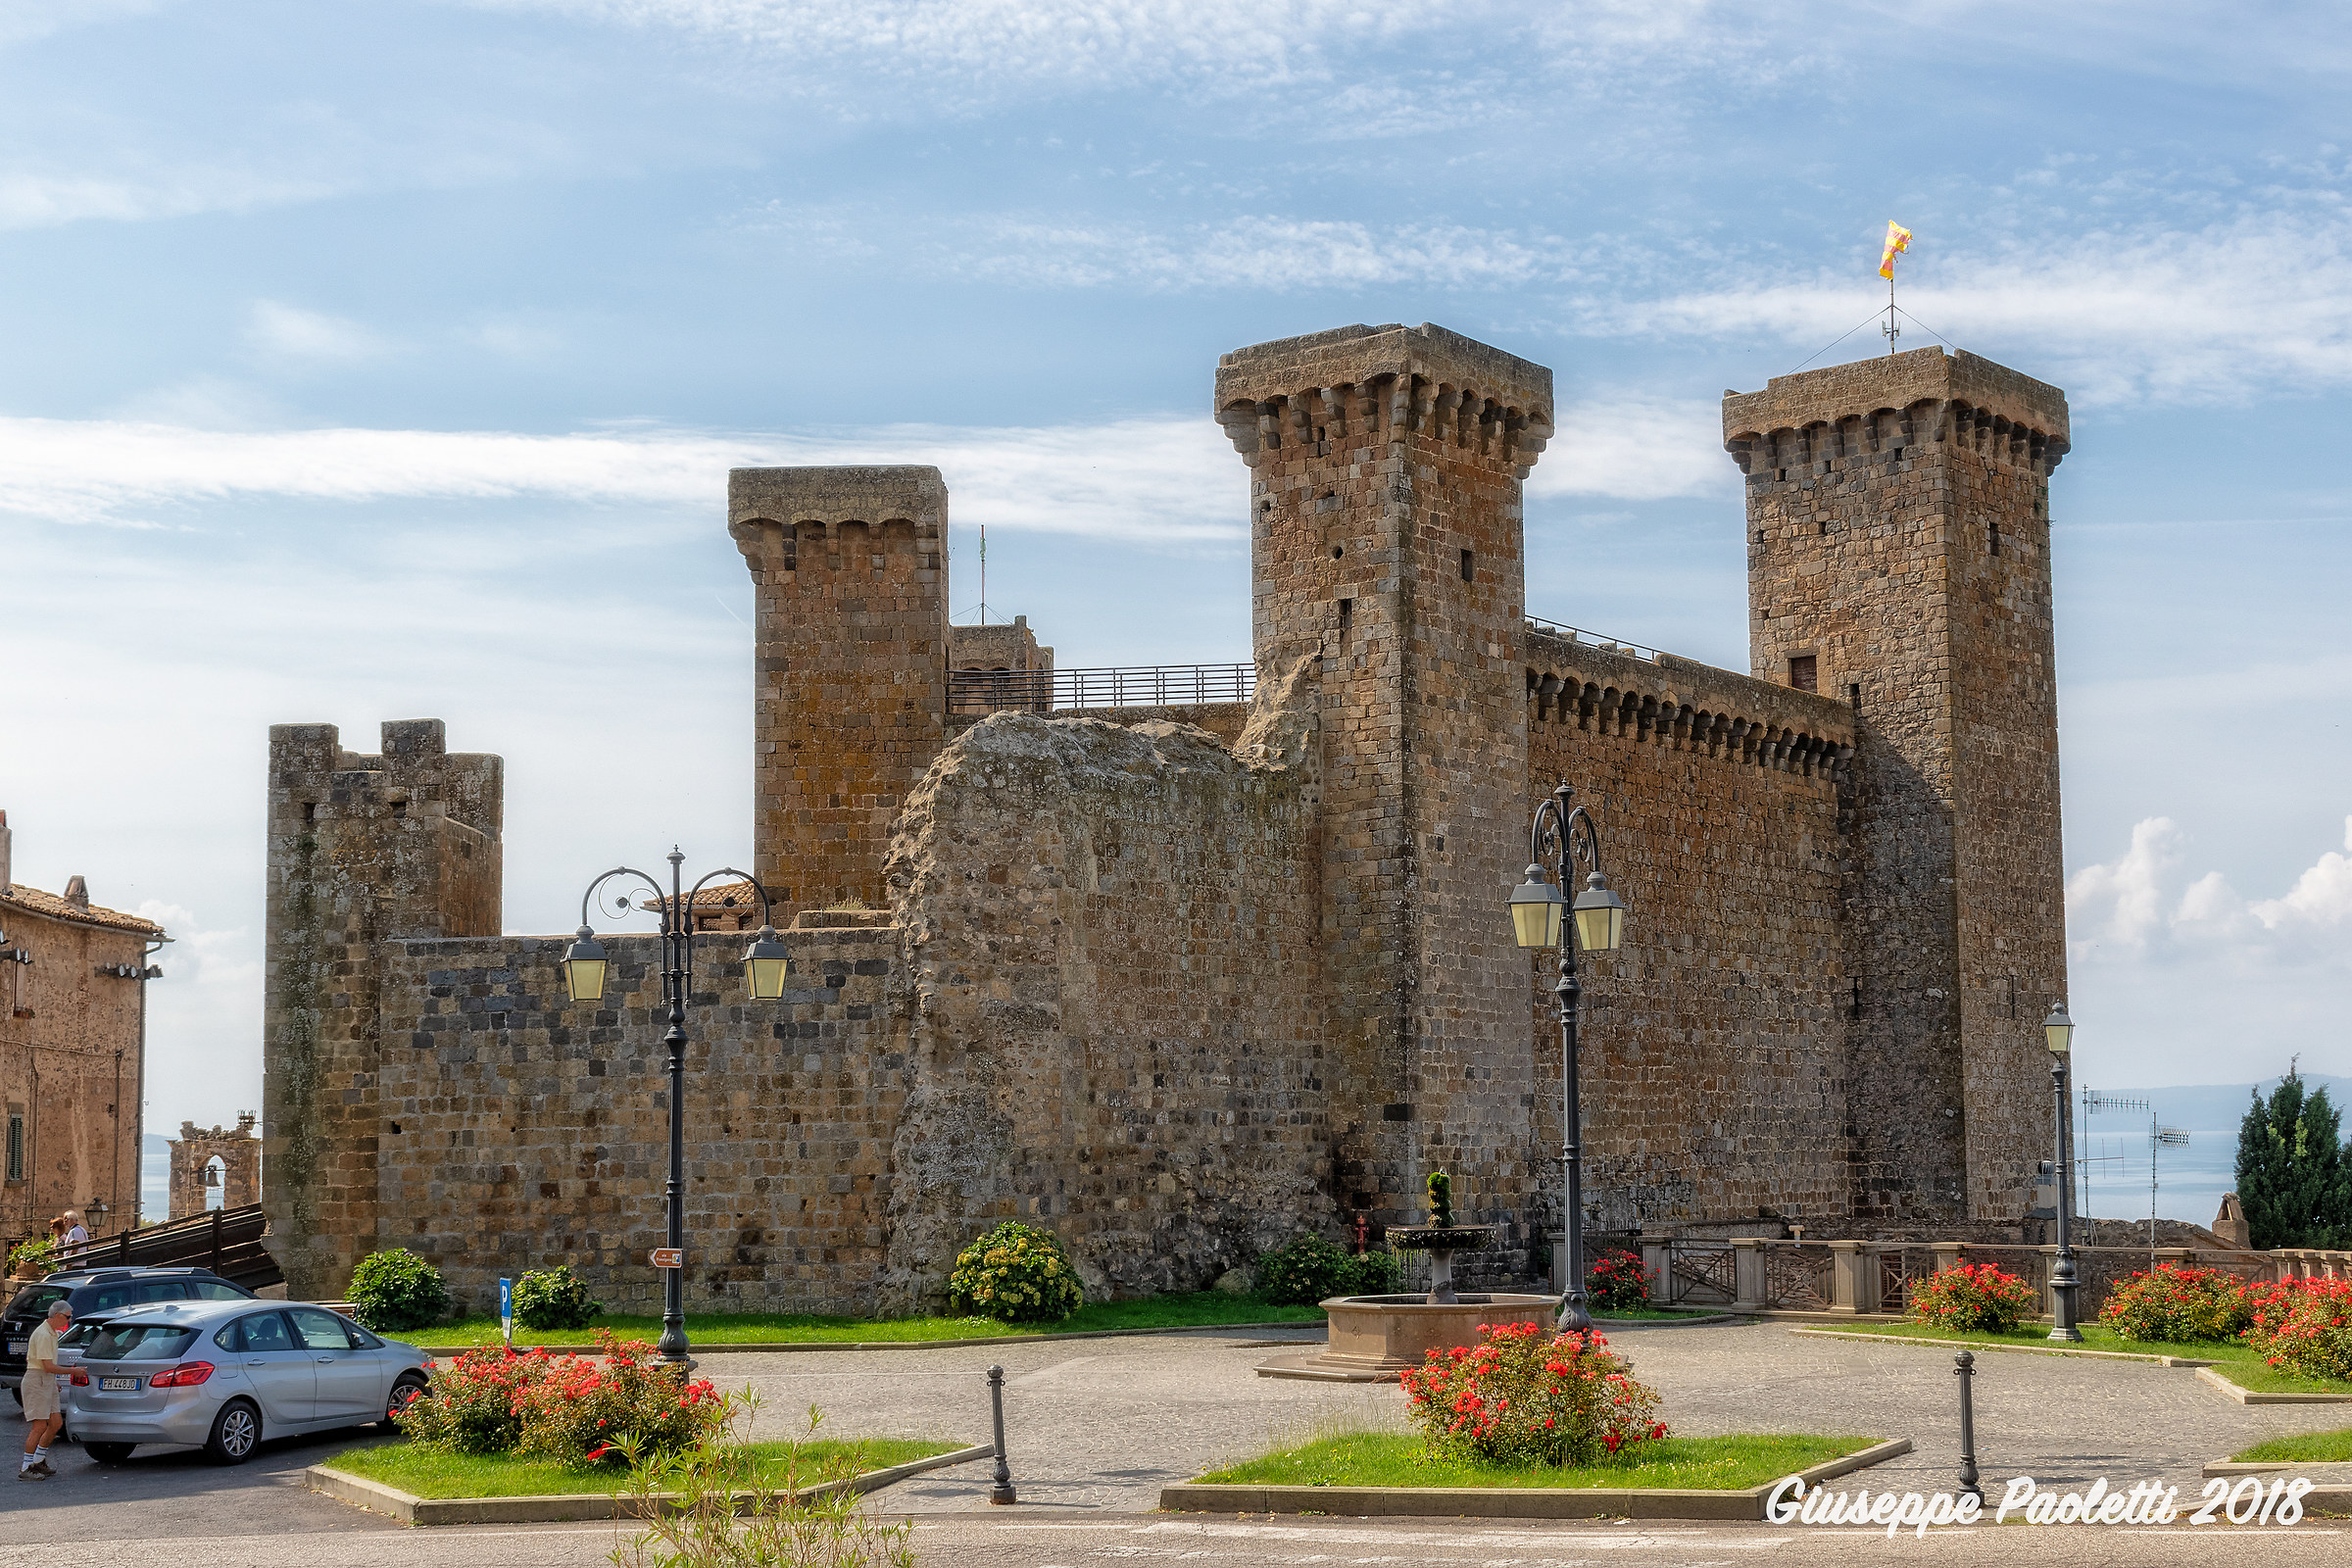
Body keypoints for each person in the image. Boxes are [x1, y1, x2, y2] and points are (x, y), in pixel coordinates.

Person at [19, 1298, 70, 1480]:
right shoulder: (43, 1334)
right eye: (67, 1317)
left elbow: (47, 1368)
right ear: (57, 1315)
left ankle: (38, 1461)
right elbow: (46, 1366)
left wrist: (52, 1381)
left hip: (44, 1379)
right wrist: (74, 1371)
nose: (68, 1321)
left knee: (55, 1423)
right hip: (37, 1380)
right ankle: (26, 1467)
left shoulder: (51, 1333)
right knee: (39, 1426)